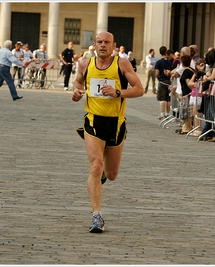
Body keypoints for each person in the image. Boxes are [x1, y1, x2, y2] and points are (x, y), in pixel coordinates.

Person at [71, 31, 144, 233]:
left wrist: (118, 92)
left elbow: (140, 89)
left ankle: (104, 171)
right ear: (94, 44)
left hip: (116, 123)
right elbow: (78, 82)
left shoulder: (122, 64)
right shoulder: (85, 64)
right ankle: (97, 216)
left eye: (107, 42)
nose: (103, 45)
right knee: (95, 165)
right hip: (93, 121)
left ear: (113, 45)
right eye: (99, 42)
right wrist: (76, 92)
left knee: (111, 174)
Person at [201, 48, 215, 142]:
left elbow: (213, 76)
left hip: (214, 91)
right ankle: (209, 133)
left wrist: (206, 77)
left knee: (211, 112)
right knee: (211, 112)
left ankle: (210, 133)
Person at [154, 46, 173, 120]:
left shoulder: (159, 62)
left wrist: (159, 78)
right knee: (168, 98)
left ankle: (162, 114)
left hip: (162, 81)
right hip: (169, 81)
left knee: (162, 98)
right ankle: (167, 114)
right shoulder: (170, 62)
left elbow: (157, 73)